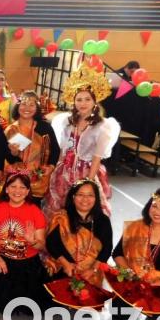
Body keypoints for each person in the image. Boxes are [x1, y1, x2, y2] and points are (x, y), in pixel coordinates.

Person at [45, 63, 119, 216]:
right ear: (74, 102)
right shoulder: (66, 121)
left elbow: (97, 158)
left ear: (94, 102)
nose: (83, 103)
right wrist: (56, 170)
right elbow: (62, 149)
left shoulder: (102, 126)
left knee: (82, 209)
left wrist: (88, 183)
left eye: (87, 99)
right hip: (64, 170)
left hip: (85, 171)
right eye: (79, 100)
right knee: (60, 207)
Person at [0, 172, 49, 313]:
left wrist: (32, 241)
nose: (17, 191)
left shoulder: (35, 212)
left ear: (27, 191)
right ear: (6, 189)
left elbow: (41, 245)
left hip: (25, 264)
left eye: (22, 187)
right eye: (13, 186)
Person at [45, 179, 112, 286]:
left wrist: (93, 270)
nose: (85, 199)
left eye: (90, 195)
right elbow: (51, 244)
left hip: (92, 275)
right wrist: (66, 264)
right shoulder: (62, 217)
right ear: (73, 197)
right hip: (63, 271)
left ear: (96, 198)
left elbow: (107, 249)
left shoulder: (103, 220)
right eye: (80, 194)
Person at [3, 91, 60, 205]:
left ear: (37, 108)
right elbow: (7, 157)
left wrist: (51, 167)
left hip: (38, 179)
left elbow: (55, 149)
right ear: (18, 106)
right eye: (23, 104)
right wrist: (13, 153)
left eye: (31, 105)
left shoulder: (45, 127)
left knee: (32, 212)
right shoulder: (11, 129)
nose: (27, 108)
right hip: (17, 180)